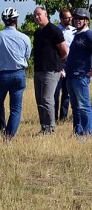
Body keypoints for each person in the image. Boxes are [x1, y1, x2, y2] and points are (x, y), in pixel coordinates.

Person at [0, 7, 31, 142]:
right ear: (16, 20)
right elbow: (27, 57)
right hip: (19, 73)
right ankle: (8, 137)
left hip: (1, 75)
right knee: (15, 108)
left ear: (3, 21)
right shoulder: (25, 38)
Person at [33, 7, 68, 135]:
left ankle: (50, 128)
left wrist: (58, 62)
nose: (37, 17)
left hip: (51, 71)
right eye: (35, 15)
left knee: (47, 99)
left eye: (39, 14)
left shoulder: (54, 30)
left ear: (45, 14)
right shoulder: (37, 33)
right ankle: (44, 127)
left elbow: (64, 50)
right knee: (39, 99)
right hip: (38, 70)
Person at [65, 8, 92, 137]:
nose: (77, 21)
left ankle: (87, 133)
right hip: (71, 76)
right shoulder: (77, 34)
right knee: (75, 107)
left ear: (86, 20)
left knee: (84, 107)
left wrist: (91, 71)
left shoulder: (88, 35)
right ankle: (77, 132)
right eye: (75, 18)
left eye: (80, 18)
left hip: (81, 75)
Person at [54, 8, 75, 122]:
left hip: (70, 63)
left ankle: (63, 117)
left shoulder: (74, 31)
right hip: (58, 62)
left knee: (67, 93)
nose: (70, 19)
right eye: (67, 17)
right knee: (55, 93)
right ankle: (54, 117)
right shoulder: (56, 30)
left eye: (70, 17)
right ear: (62, 19)